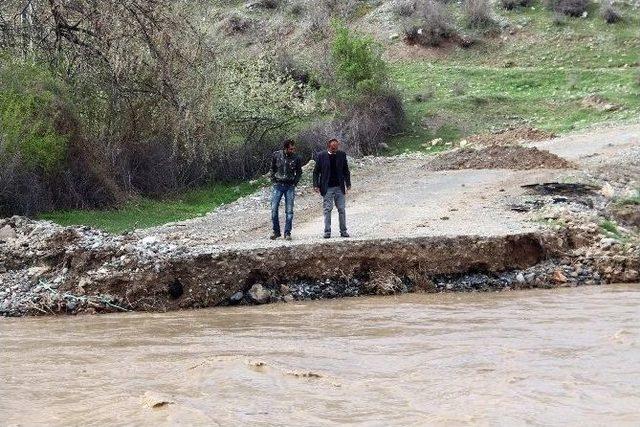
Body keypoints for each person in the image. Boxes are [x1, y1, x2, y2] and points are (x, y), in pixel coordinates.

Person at [313, 138, 351, 238]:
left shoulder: (342, 154)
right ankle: (327, 231)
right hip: (327, 187)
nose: (335, 149)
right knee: (327, 209)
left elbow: (346, 170)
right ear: (328, 146)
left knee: (342, 209)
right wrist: (316, 185)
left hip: (339, 187)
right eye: (333, 147)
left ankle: (343, 231)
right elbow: (316, 172)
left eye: (336, 147)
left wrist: (348, 184)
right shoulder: (321, 156)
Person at [270, 139, 302, 240]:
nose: (293, 150)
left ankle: (287, 232)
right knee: (274, 209)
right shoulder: (276, 155)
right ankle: (276, 232)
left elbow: (299, 172)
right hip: (278, 185)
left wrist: (294, 183)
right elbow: (272, 168)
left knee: (289, 211)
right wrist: (273, 180)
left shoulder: (297, 158)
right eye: (291, 149)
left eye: (293, 148)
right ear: (285, 148)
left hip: (289, 186)